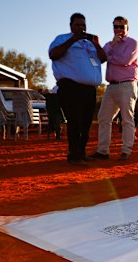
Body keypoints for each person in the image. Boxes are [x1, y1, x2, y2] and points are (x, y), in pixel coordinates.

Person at [49, 12, 105, 165]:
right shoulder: (61, 39)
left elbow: (102, 58)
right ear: (71, 26)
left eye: (83, 25)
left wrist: (97, 44)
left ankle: (81, 152)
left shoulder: (89, 44)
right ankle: (74, 155)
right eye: (77, 25)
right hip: (70, 87)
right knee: (75, 121)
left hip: (89, 89)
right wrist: (72, 40)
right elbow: (53, 54)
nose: (81, 28)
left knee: (86, 123)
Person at [90, 16, 138, 161]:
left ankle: (126, 151)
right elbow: (100, 58)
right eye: (115, 26)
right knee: (104, 118)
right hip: (111, 86)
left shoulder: (133, 43)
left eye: (121, 27)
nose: (118, 29)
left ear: (127, 28)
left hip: (127, 85)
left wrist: (109, 57)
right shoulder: (110, 44)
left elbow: (125, 60)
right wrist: (111, 45)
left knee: (127, 119)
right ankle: (103, 151)